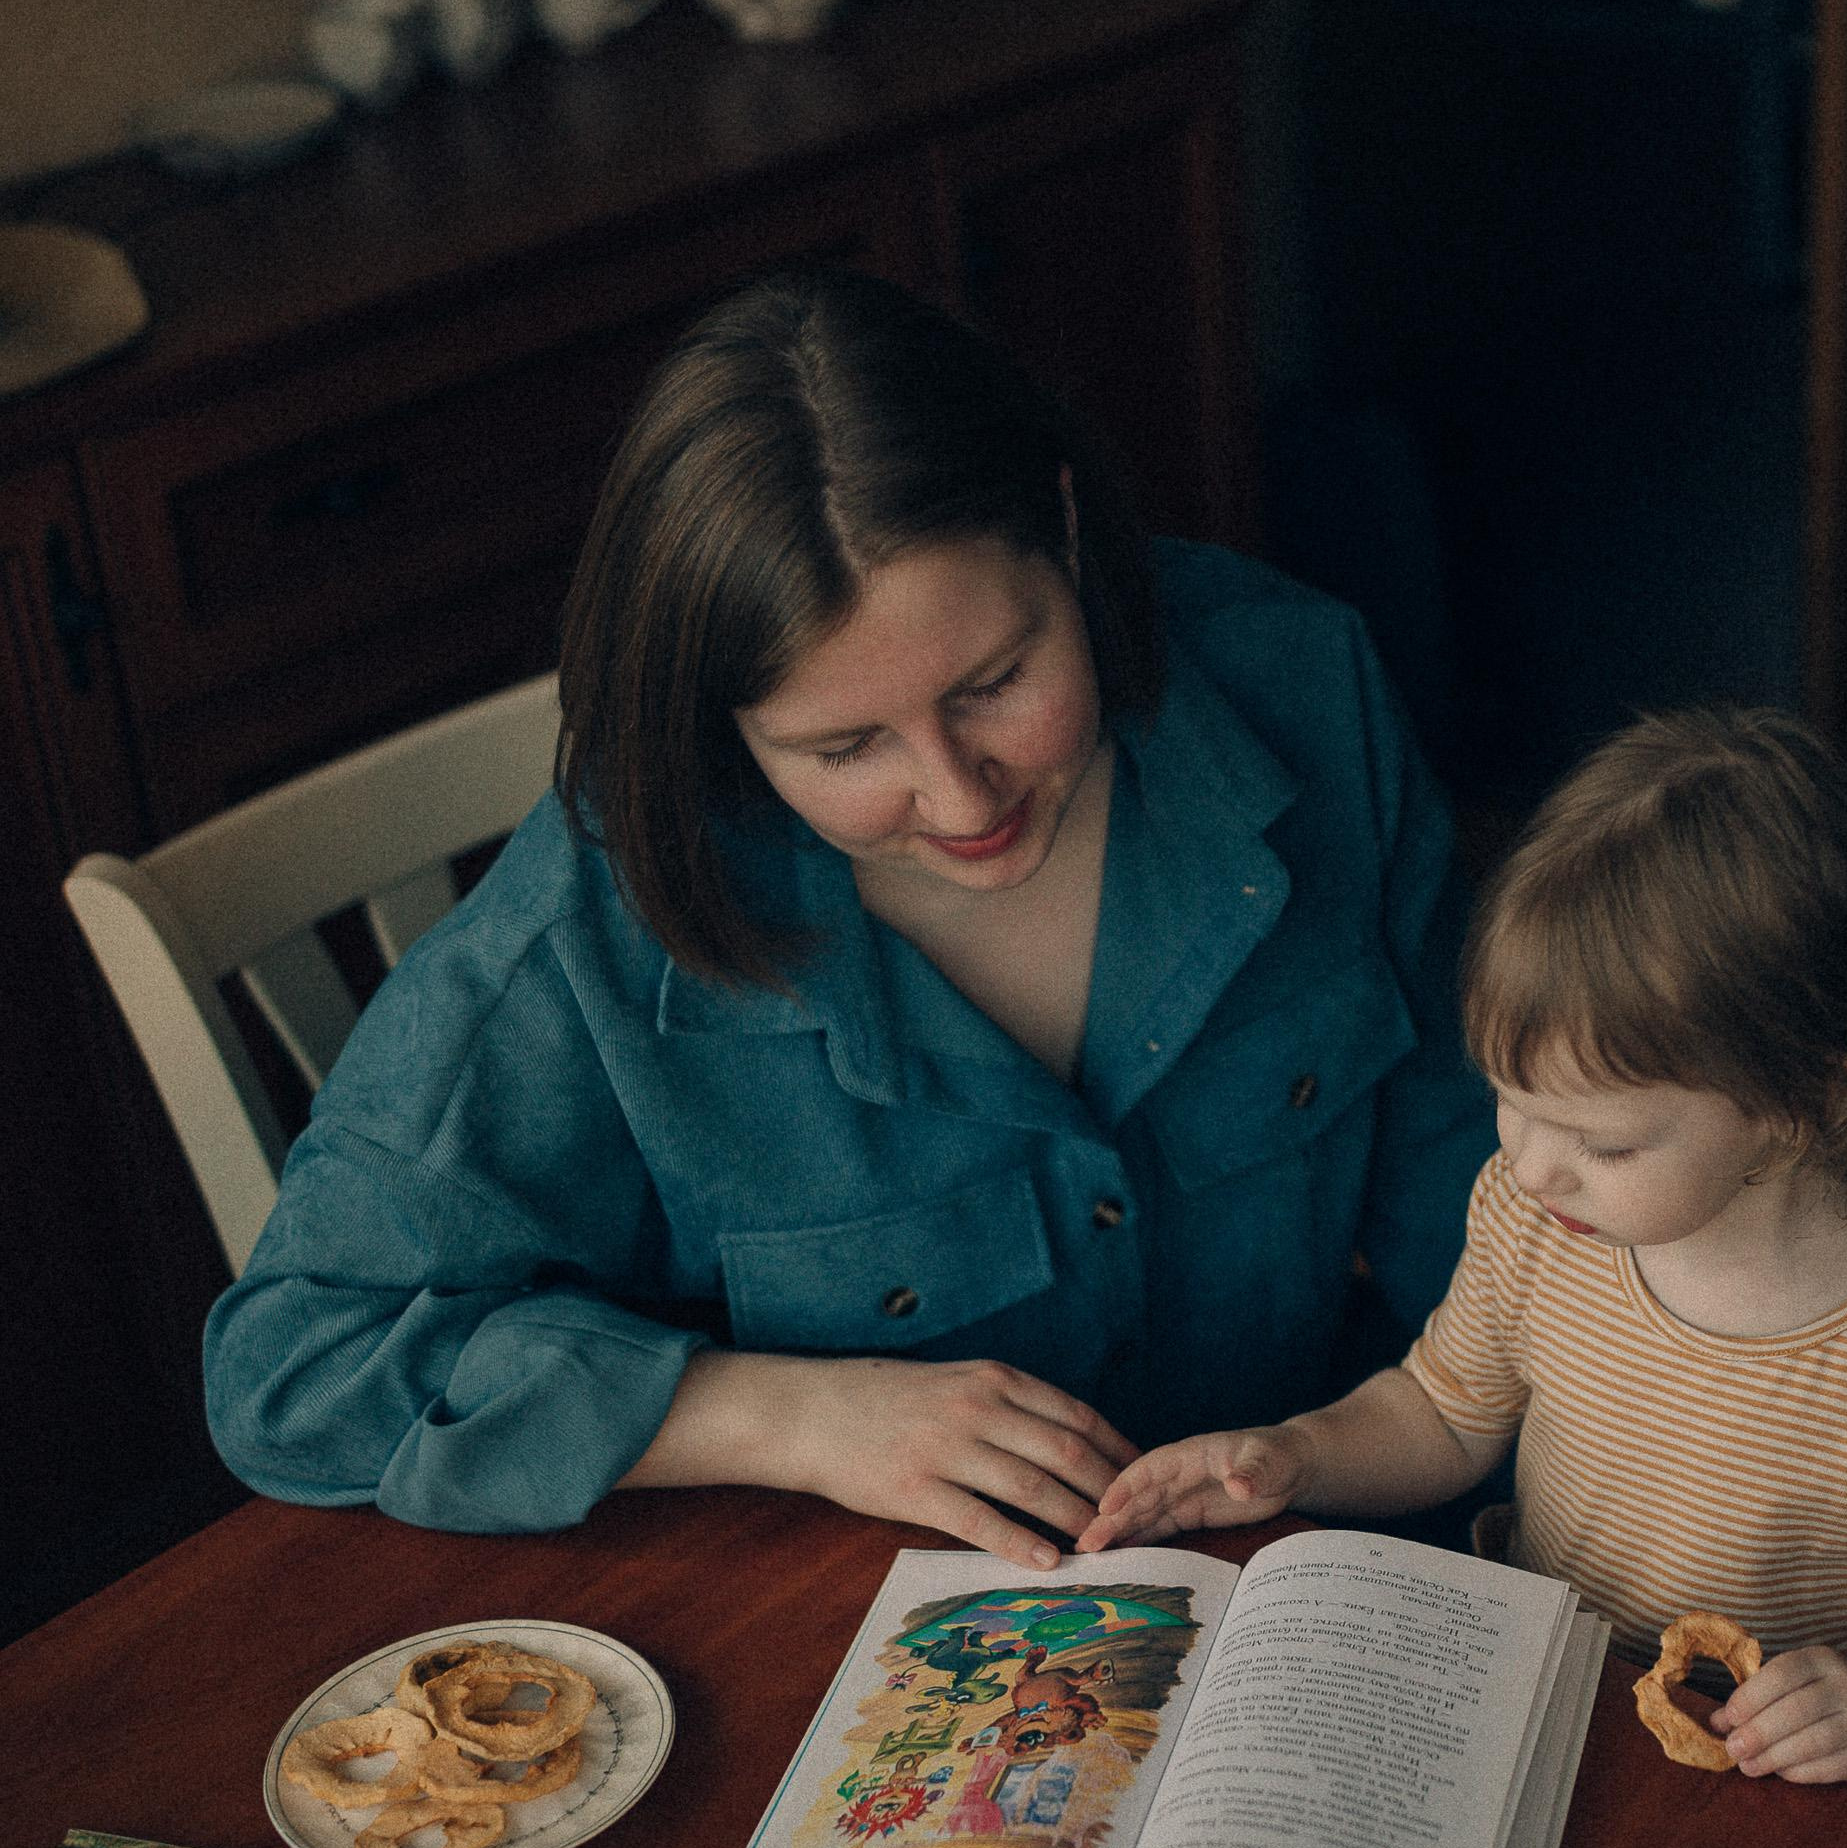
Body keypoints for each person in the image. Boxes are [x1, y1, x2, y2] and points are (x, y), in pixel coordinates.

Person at [204, 269, 1490, 1565]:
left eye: (995, 681)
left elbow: (1488, 1196)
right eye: (843, 746)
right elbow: (293, 1372)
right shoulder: (599, 915)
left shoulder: (1305, 693)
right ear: (726, 725)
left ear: (1063, 527)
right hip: (853, 1645)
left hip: (1309, 1567)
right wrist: (780, 1414)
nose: (955, 794)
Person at [1081, 706, 1847, 1815]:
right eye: (1509, 1101)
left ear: (1804, 1098)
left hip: (1813, 1803)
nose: (1533, 1163)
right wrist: (1296, 1454)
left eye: (1602, 1141)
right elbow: (1443, 1412)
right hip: (1575, 1732)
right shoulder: (1535, 1220)